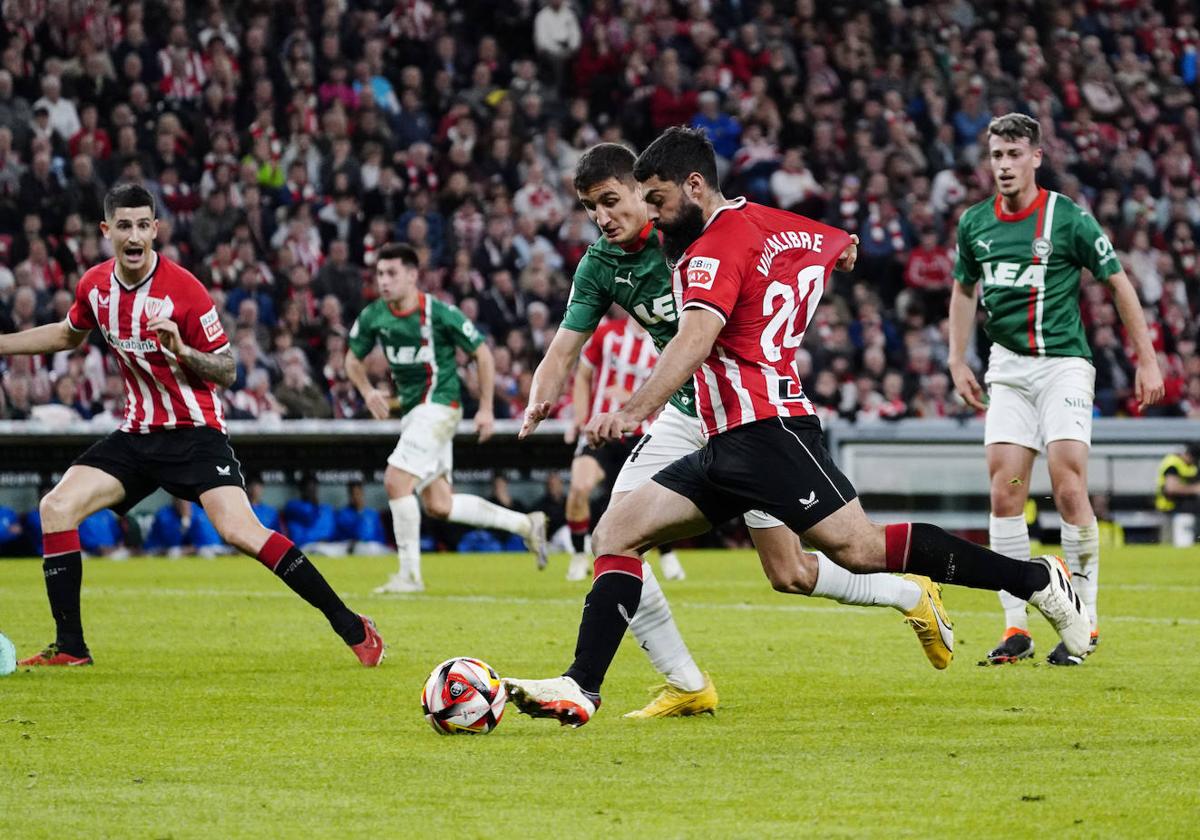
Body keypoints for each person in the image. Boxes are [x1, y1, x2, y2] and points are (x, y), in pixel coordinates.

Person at [505, 127, 1091, 727]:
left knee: (859, 549)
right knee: (615, 536)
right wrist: (843, 245)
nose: (647, 214)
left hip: (766, 428)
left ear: (693, 187)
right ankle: (582, 685)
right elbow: (817, 237)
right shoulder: (748, 221)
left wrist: (631, 409)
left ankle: (1035, 578)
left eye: (651, 200)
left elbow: (696, 337)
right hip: (718, 432)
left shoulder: (709, 250)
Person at [0, 184, 383, 668]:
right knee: (56, 507)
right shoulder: (95, 286)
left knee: (241, 532)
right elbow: (65, 334)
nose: (135, 235)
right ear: (107, 231)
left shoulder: (185, 290)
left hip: (195, 435)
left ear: (156, 229)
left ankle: (351, 625)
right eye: (124, 226)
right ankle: (72, 648)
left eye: (143, 225)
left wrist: (183, 349)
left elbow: (227, 370)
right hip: (137, 436)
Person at [948, 114, 1165, 666]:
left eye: (1014, 154)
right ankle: (1017, 625)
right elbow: (964, 290)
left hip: (1064, 364)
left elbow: (1117, 282)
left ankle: (1084, 622)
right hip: (1008, 368)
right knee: (1005, 491)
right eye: (996, 155)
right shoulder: (974, 224)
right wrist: (956, 358)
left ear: (1036, 157)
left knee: (1068, 485)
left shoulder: (1067, 218)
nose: (1003, 165)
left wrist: (1147, 358)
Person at [345, 243, 548, 594]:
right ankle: (526, 525)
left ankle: (409, 577)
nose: (384, 281)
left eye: (392, 273)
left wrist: (485, 408)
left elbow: (483, 354)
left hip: (439, 407)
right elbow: (351, 359)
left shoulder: (438, 313)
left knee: (396, 481)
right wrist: (367, 391)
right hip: (414, 413)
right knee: (439, 505)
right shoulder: (374, 315)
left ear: (412, 275)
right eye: (380, 274)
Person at [565, 315, 685, 583]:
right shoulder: (606, 333)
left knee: (658, 499)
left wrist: (630, 400)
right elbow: (582, 376)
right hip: (602, 431)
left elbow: (674, 388)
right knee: (579, 487)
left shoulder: (667, 340)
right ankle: (577, 555)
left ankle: (666, 553)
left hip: (643, 434)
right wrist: (580, 417)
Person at [1155, 442, 1200, 546]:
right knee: (1178, 544)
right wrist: (1195, 489)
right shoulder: (1173, 464)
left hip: (1186, 511)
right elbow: (1171, 488)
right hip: (1172, 510)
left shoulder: (1189, 466)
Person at [336, 481, 390, 556]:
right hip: (353, 547)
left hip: (374, 547)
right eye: (353, 494)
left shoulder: (372, 514)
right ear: (349, 496)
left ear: (362, 493)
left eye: (357, 493)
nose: (355, 497)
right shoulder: (343, 514)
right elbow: (346, 535)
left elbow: (381, 535)